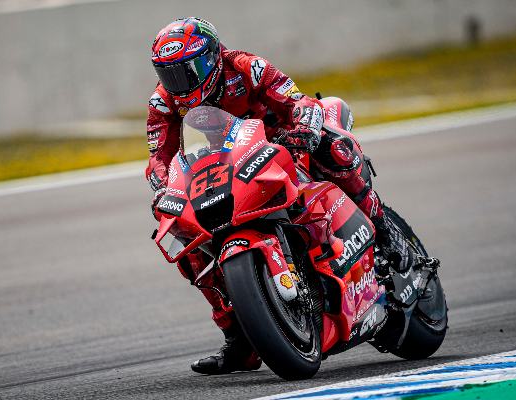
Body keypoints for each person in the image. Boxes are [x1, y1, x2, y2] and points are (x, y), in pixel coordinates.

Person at [145, 17, 417, 375]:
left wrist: (303, 129)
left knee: (335, 149)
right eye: (169, 75)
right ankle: (239, 339)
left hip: (282, 139)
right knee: (184, 238)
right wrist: (165, 189)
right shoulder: (163, 103)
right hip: (225, 164)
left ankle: (386, 231)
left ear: (211, 58)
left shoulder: (246, 67)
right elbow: (159, 158)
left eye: (187, 71)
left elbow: (296, 100)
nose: (178, 84)